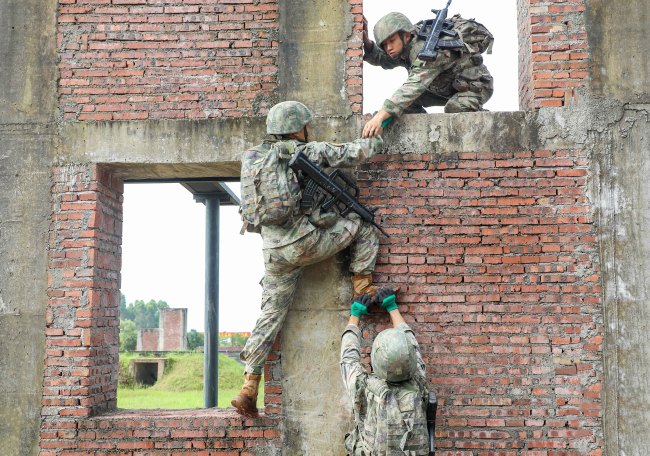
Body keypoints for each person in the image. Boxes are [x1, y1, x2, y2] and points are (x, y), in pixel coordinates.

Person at [231, 100, 385, 417]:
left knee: (269, 316)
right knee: (365, 226)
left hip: (273, 252)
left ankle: (248, 386)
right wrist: (377, 133)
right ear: (297, 127)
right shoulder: (303, 151)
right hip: (304, 243)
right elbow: (353, 153)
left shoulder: (252, 157)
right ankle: (363, 288)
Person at [362, 11, 494, 138]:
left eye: (391, 41)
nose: (388, 47)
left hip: (475, 87)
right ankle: (422, 132)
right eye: (384, 44)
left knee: (455, 107)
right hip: (445, 88)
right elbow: (385, 60)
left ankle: (480, 114)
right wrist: (367, 44)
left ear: (406, 36)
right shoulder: (405, 47)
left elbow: (412, 87)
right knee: (406, 106)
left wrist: (380, 116)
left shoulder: (425, 51)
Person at [340, 288, 430, 455]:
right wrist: (392, 306)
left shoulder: (363, 386)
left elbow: (348, 357)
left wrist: (355, 314)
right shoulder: (418, 381)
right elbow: (410, 341)